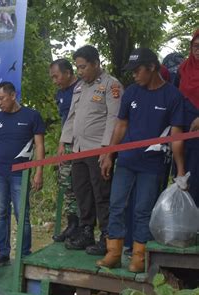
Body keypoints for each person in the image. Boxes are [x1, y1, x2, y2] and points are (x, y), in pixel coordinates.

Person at [97, 48, 186, 272]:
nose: (134, 75)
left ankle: (139, 256)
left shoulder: (172, 96)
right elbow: (121, 125)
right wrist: (109, 154)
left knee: (143, 209)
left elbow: (176, 137)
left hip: (153, 164)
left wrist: (181, 171)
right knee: (116, 204)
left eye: (138, 71)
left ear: (152, 68)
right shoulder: (132, 93)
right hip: (126, 161)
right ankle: (113, 252)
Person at [60, 45, 123, 255]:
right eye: (77, 67)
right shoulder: (80, 87)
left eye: (83, 67)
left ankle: (107, 237)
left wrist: (107, 151)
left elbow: (114, 120)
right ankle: (87, 231)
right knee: (82, 192)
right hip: (78, 149)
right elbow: (72, 116)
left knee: (101, 194)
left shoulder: (111, 85)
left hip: (98, 150)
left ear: (96, 64)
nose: (79, 71)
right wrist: (64, 141)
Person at [0, 81, 45, 266]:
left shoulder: (32, 116)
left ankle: (24, 255)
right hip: (0, 174)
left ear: (13, 95)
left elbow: (40, 145)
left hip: (21, 174)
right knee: (1, 213)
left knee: (22, 215)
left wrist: (38, 172)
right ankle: (3, 253)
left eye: (2, 98)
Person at [49, 59, 80, 242]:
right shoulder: (60, 93)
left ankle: (85, 227)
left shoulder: (83, 88)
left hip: (86, 144)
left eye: (56, 76)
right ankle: (72, 224)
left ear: (68, 72)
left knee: (83, 185)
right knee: (67, 184)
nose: (55, 81)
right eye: (52, 77)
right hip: (67, 144)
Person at [178, 29, 199, 206]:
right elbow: (176, 97)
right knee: (186, 176)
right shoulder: (183, 69)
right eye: (195, 46)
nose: (198, 50)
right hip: (184, 128)